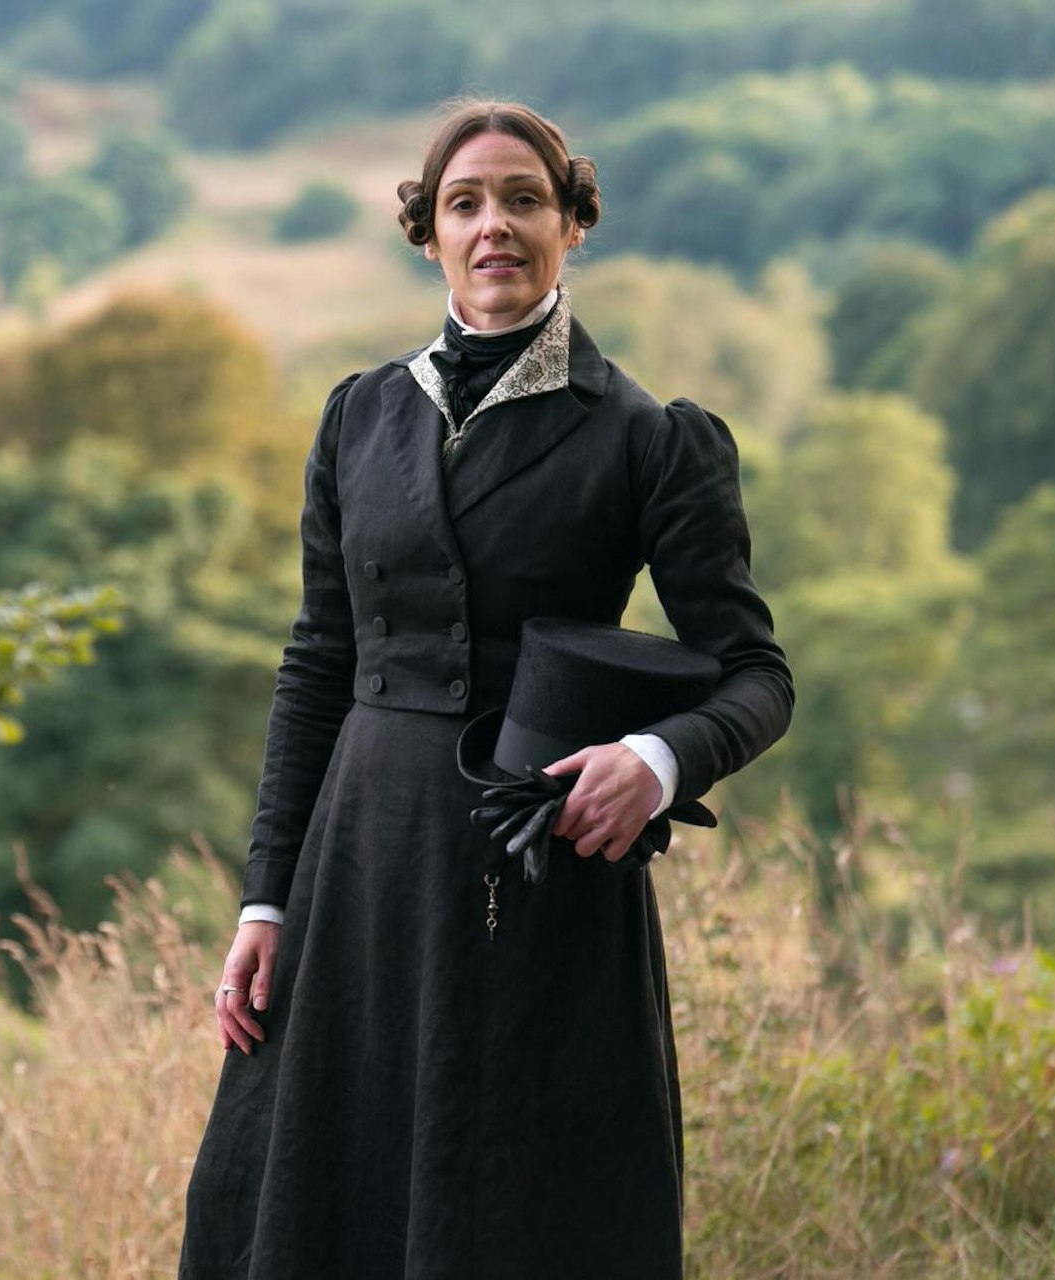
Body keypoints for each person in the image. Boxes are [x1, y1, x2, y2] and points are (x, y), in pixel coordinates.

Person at [177, 99, 794, 1279]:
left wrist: (656, 760)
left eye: (524, 200)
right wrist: (266, 900)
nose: (494, 225)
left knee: (517, 1209)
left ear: (572, 226)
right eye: (466, 204)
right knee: (311, 1194)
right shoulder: (358, 415)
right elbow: (317, 662)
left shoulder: (647, 438)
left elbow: (757, 674)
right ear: (430, 235)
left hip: (543, 887)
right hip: (360, 875)